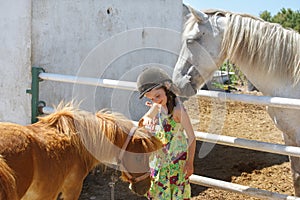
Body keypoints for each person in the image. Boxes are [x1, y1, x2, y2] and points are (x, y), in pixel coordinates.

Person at [137, 67, 196, 200]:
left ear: (167, 87)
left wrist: (190, 163)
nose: (155, 100)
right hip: (158, 163)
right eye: (151, 98)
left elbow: (191, 137)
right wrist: (147, 121)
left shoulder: (178, 110)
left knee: (176, 194)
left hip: (176, 164)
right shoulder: (157, 105)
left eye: (157, 96)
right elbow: (144, 120)